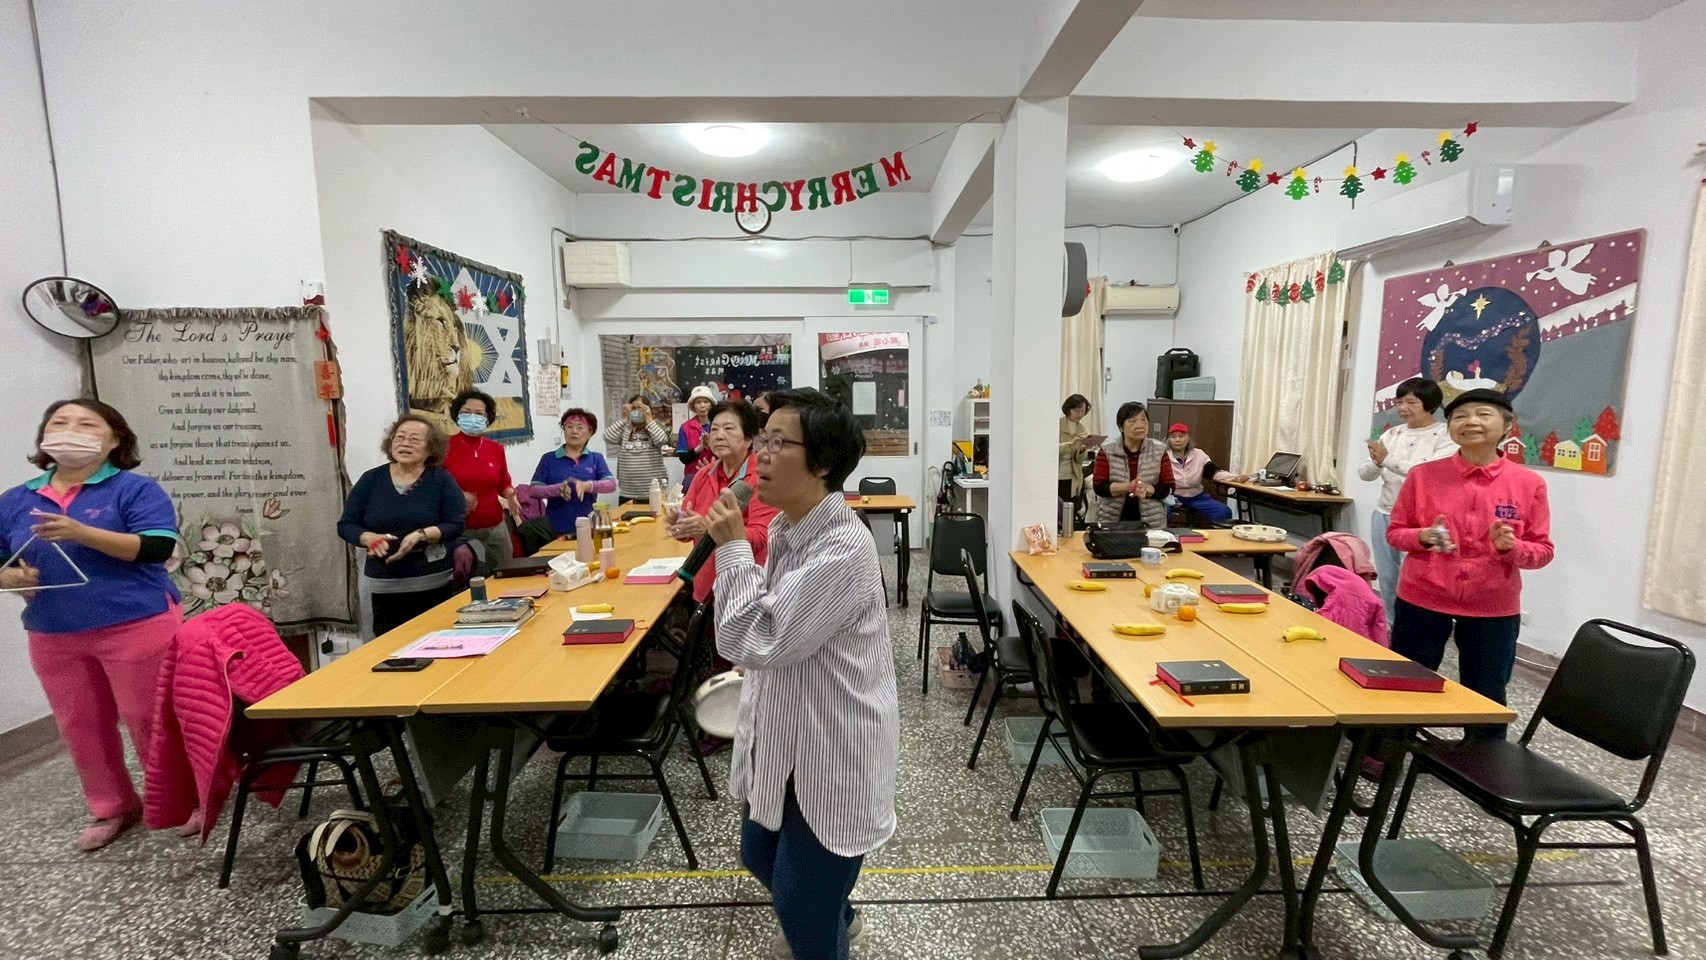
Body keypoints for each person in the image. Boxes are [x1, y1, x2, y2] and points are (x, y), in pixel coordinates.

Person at [704, 388, 897, 960]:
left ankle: (826, 927)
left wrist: (732, 550)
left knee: (799, 903)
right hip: (786, 731)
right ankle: (839, 915)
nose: (760, 454)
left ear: (822, 464)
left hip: (831, 746)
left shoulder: (842, 549)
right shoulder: (790, 529)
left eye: (778, 443)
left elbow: (754, 637)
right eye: (761, 440)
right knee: (758, 854)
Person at [0, 400, 183, 850]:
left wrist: (82, 533)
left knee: (149, 719)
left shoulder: (134, 490)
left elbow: (157, 548)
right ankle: (112, 806)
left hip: (136, 621)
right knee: (80, 725)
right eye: (60, 423)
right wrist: (9, 576)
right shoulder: (15, 500)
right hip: (52, 630)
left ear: (115, 439)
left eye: (86, 424)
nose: (71, 430)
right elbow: (2, 559)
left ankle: (180, 799)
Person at [1386, 388, 1553, 737]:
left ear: (1508, 425)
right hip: (1423, 596)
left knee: (1486, 694)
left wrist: (1511, 548)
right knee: (1406, 685)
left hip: (1492, 605)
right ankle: (1387, 752)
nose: (1471, 421)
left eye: (1483, 414)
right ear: (1450, 428)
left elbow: (1542, 550)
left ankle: (1482, 759)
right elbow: (1396, 533)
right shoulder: (1423, 476)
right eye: (1460, 416)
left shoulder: (1528, 483)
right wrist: (1424, 536)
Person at [339, 415, 467, 637]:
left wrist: (421, 535)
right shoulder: (371, 479)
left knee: (436, 642)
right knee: (389, 646)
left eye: (415, 439)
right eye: (400, 438)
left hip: (432, 582)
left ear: (431, 448)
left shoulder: (441, 480)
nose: (405, 443)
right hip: (383, 585)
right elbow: (346, 525)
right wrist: (368, 537)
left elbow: (456, 524)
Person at [1358, 377, 1457, 624]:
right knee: (1387, 577)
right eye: (1399, 402)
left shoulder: (1445, 435)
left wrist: (1387, 459)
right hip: (1385, 512)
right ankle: (1392, 626)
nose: (1402, 408)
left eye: (1411, 402)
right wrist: (1376, 462)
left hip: (1423, 520)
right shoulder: (1392, 433)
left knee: (1414, 578)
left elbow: (1426, 473)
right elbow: (1366, 474)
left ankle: (1413, 628)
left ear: (1430, 404)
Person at [668, 399, 778, 605]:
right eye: (715, 429)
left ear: (749, 437)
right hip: (704, 589)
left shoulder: (762, 477)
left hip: (744, 591)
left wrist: (710, 530)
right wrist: (680, 525)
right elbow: (691, 526)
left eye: (728, 429)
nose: (719, 435)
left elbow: (763, 537)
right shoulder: (703, 475)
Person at [442, 389, 521, 576]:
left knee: (505, 574)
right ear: (457, 415)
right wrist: (458, 495)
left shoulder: (495, 448)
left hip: (495, 526)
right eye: (466, 412)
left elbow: (503, 481)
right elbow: (436, 486)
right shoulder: (444, 448)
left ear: (488, 418)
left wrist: (510, 494)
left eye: (479, 413)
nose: (473, 417)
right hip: (461, 529)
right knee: (471, 579)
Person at [530, 408, 616, 536]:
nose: (574, 431)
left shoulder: (595, 458)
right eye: (569, 427)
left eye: (580, 427)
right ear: (563, 430)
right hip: (556, 529)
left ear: (590, 432)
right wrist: (558, 489)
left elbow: (611, 484)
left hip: (589, 526)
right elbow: (533, 490)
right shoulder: (549, 459)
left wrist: (588, 486)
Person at [1091, 401, 1173, 529]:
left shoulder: (1159, 450)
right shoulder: (1107, 450)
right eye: (1132, 421)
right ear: (1121, 427)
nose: (1140, 425)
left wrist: (1149, 490)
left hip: (1151, 519)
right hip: (1112, 518)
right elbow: (1099, 487)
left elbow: (1168, 487)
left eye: (1143, 420)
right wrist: (1128, 487)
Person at [603, 395, 670, 504]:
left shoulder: (654, 427)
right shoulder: (625, 429)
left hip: (653, 493)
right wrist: (624, 418)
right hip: (627, 494)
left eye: (640, 408)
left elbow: (662, 440)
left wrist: (649, 419)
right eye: (633, 408)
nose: (636, 411)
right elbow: (607, 437)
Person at [1162, 423, 1235, 524]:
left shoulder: (1199, 454)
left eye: (1181, 436)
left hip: (1197, 497)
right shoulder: (1163, 456)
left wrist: (1236, 477)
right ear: (1169, 439)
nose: (1177, 440)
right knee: (1162, 513)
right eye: (1173, 437)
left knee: (1223, 511)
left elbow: (1213, 472)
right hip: (1172, 496)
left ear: (1188, 438)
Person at [1057, 395, 1095, 525]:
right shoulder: (1058, 425)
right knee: (1056, 511)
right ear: (1068, 409)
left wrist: (1083, 450)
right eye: (1077, 411)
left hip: (1073, 476)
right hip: (1057, 473)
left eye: (1083, 411)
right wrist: (1071, 443)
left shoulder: (1082, 429)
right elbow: (1052, 450)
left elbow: (1079, 460)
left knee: (1070, 512)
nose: (1080, 414)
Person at [676, 385, 718, 493]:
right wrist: (700, 447)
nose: (702, 406)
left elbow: (726, 454)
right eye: (698, 402)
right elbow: (683, 458)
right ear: (693, 406)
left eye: (705, 402)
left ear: (711, 405)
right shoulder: (685, 427)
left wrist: (711, 445)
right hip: (692, 476)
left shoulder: (719, 425)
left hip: (717, 474)